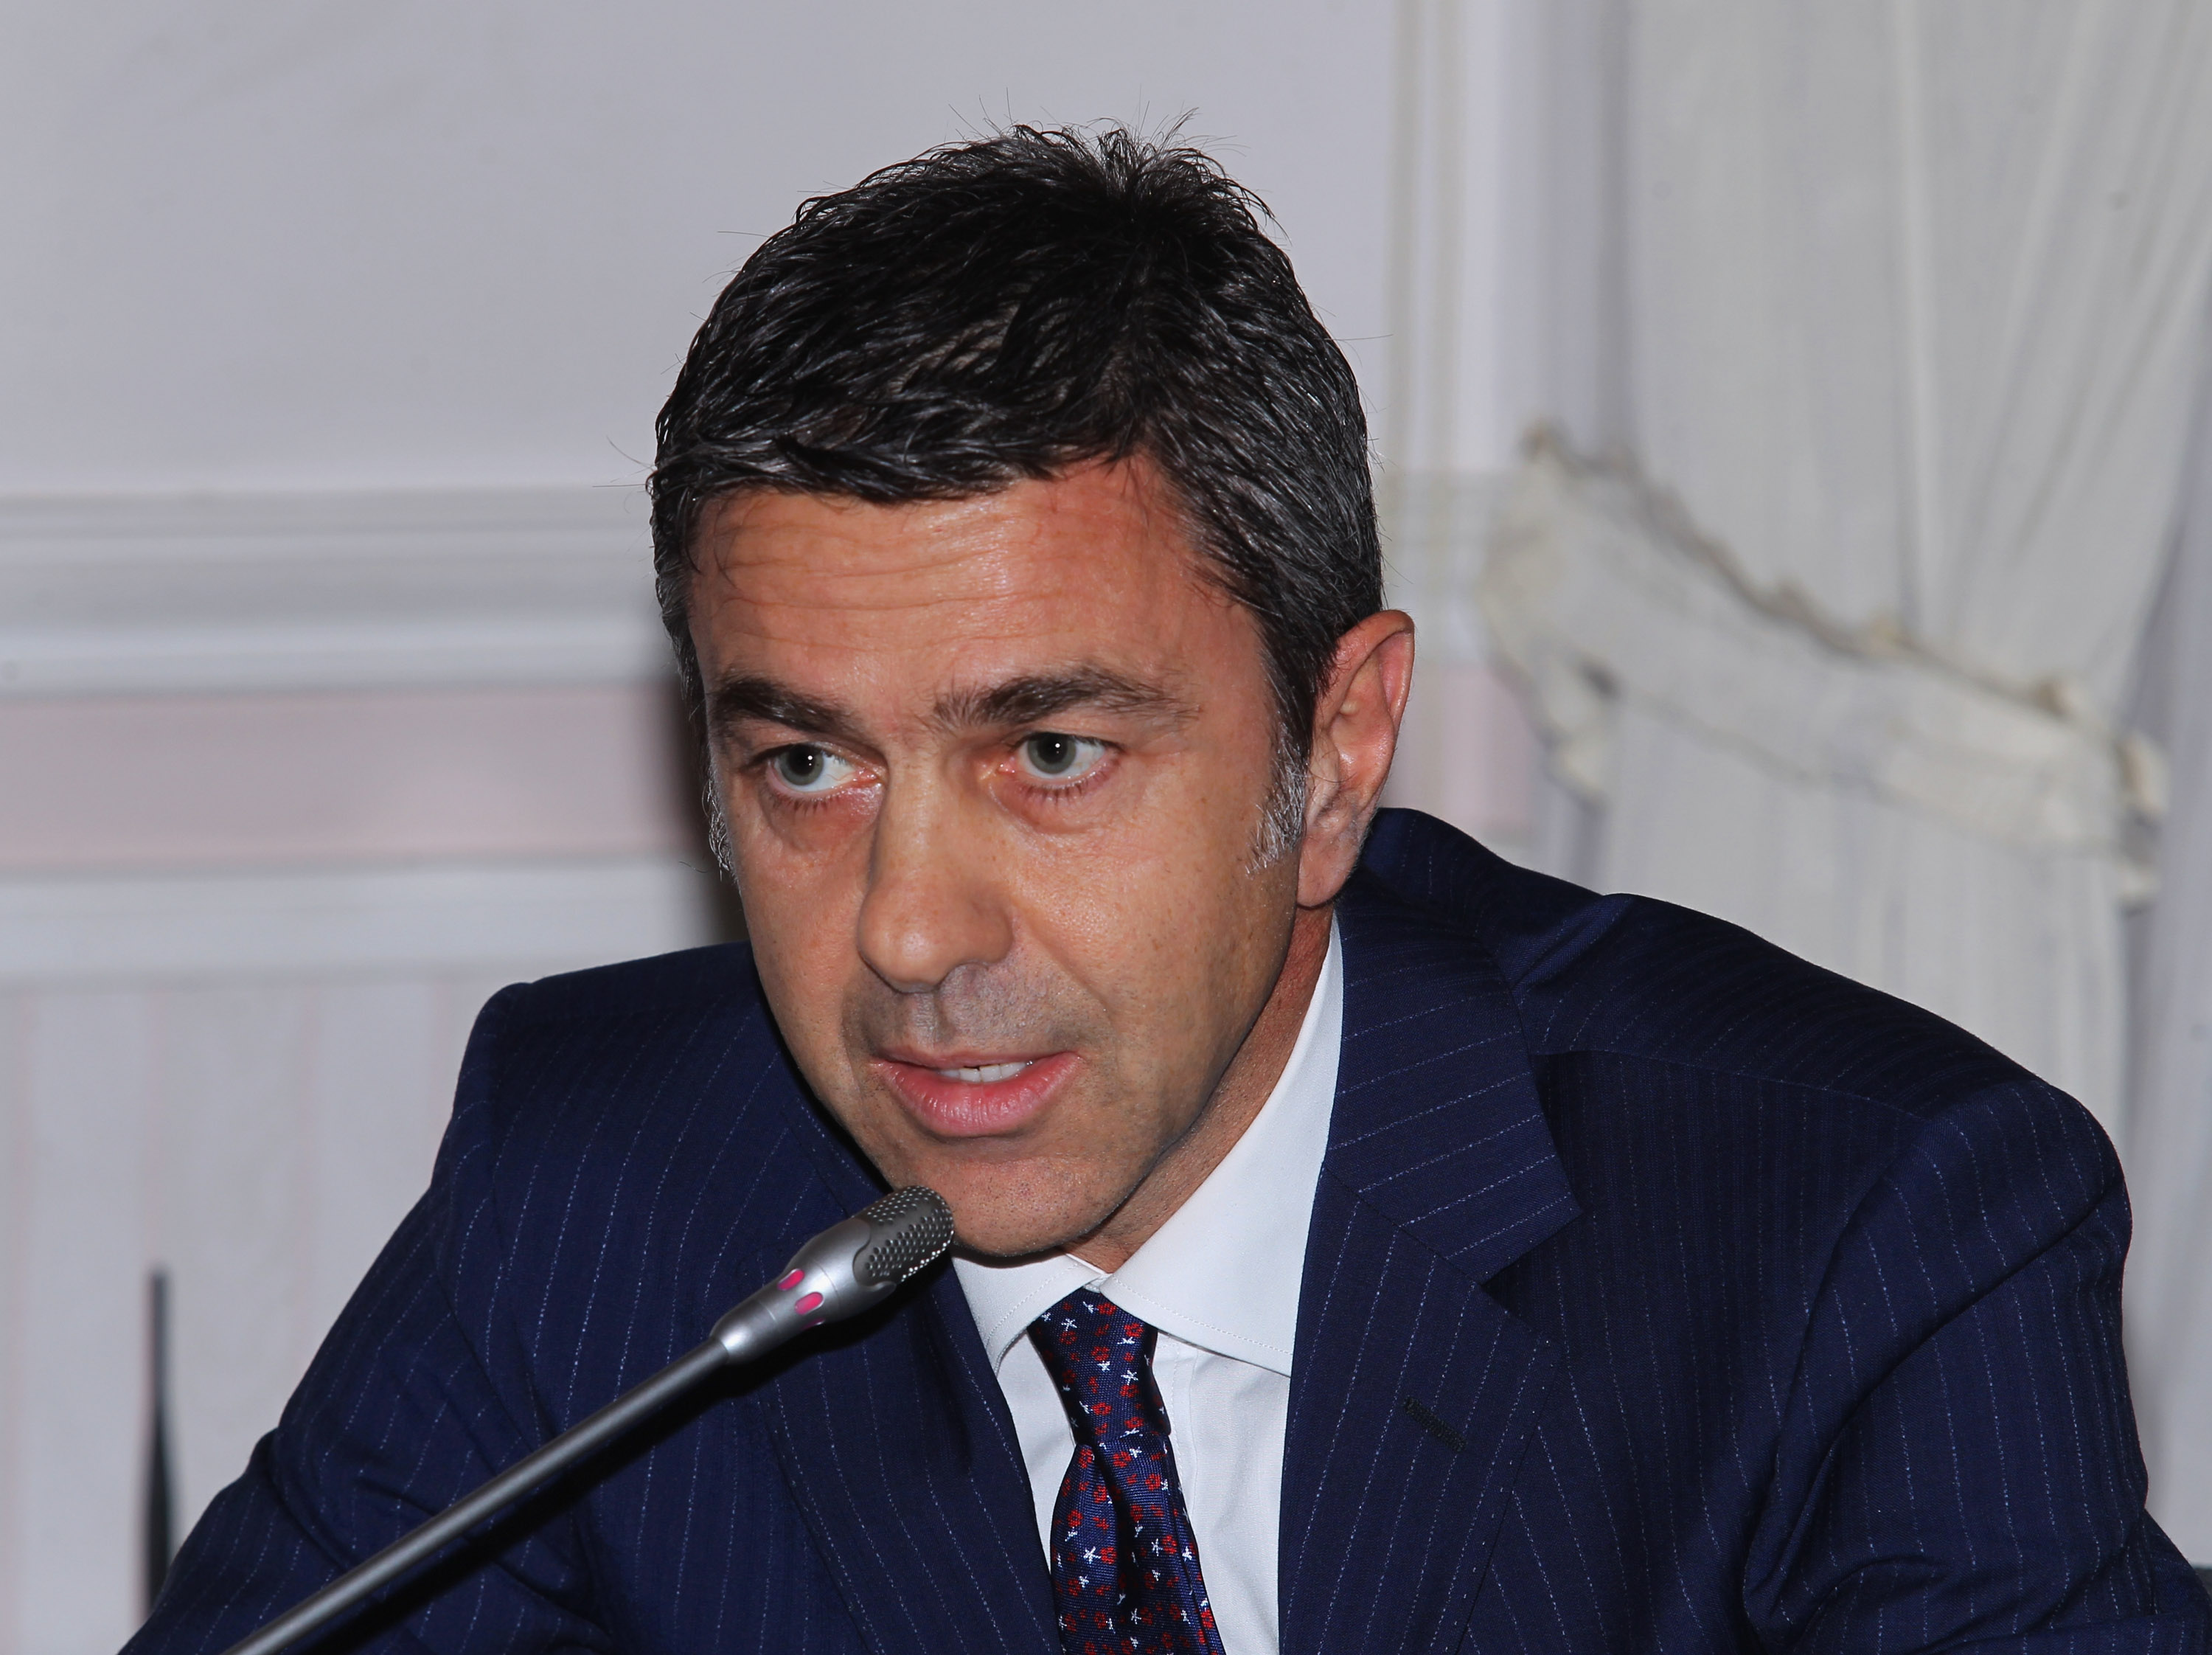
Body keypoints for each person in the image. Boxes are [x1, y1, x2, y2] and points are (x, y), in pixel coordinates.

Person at [131, 125, 2207, 1655]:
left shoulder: (1861, 1231)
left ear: (1339, 752)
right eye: (806, 765)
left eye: (1051, 754)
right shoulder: (604, 1201)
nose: (910, 934)